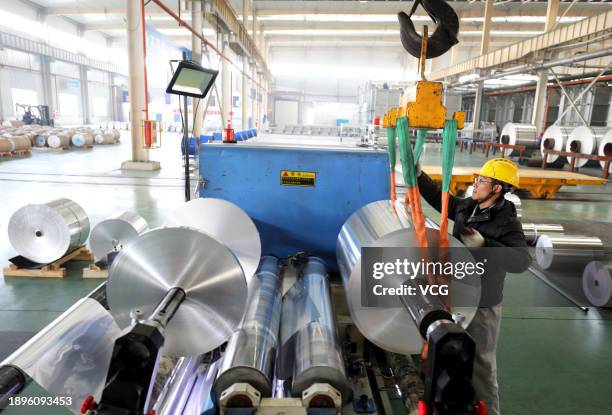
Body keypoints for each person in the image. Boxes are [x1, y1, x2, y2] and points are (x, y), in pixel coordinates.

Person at [416, 157, 531, 415]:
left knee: (482, 366)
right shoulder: (470, 206)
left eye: (482, 180)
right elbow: (442, 200)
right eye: (477, 178)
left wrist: (486, 246)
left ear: (497, 188)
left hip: (483, 304)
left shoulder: (506, 222)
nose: (475, 183)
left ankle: (490, 411)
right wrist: (420, 175)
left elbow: (522, 261)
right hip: (457, 295)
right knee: (451, 352)